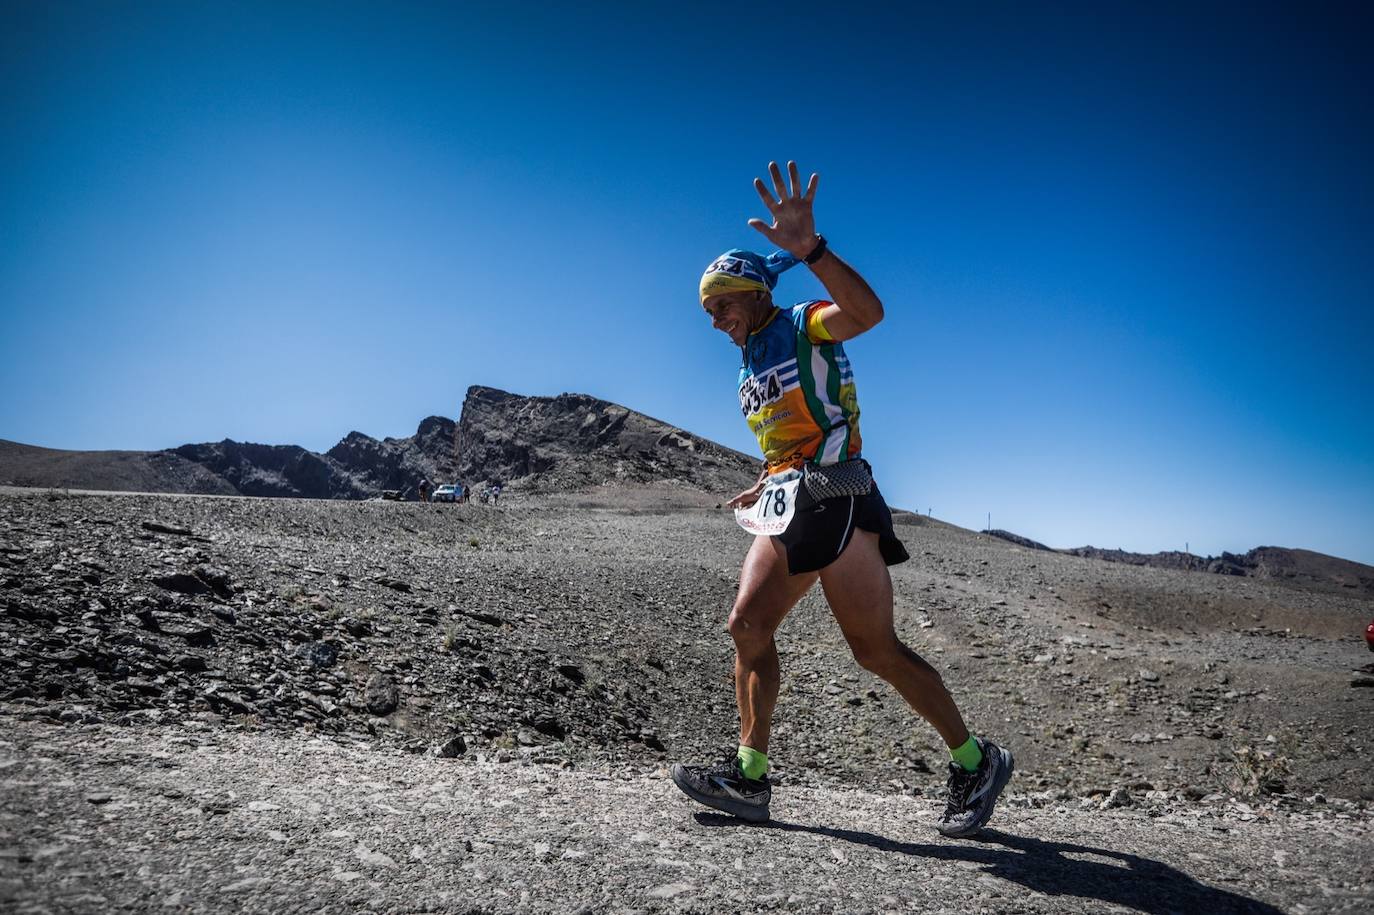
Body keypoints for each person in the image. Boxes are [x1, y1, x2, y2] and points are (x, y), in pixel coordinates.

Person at [670, 161, 1013, 838]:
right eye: (710, 313)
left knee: (874, 651)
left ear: (749, 291)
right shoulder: (750, 355)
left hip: (841, 500)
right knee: (746, 625)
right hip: (792, 500)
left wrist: (813, 253)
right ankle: (749, 773)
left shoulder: (805, 324)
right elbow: (790, 434)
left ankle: (976, 760)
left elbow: (869, 313)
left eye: (721, 307)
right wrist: (768, 477)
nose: (715, 323)